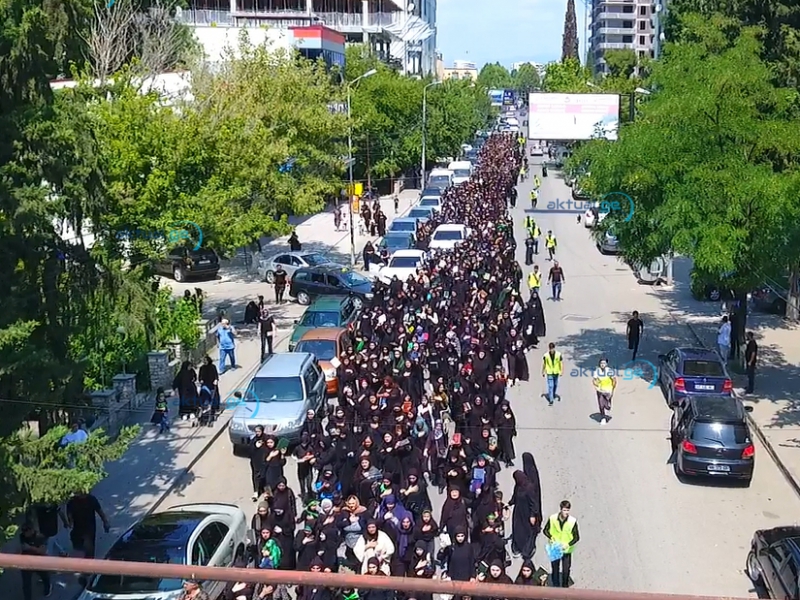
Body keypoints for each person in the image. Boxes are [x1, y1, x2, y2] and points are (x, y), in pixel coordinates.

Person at [543, 500, 579, 588]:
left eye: (568, 510)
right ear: (560, 509)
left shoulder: (572, 521)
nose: (566, 512)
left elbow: (576, 537)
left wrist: (568, 544)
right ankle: (556, 586)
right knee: (555, 568)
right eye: (564, 510)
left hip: (566, 550)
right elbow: (545, 530)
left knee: (566, 570)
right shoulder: (552, 518)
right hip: (555, 548)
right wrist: (551, 537)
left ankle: (565, 586)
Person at [66, 491, 110, 561]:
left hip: (88, 529)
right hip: (79, 529)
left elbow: (99, 511)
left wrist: (105, 522)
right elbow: (70, 517)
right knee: (79, 549)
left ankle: (88, 566)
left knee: (88, 550)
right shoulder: (72, 502)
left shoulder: (91, 499)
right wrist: (69, 523)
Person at [509, 471, 540, 560]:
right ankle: (518, 548)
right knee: (517, 529)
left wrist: (533, 515)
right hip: (518, 512)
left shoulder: (529, 487)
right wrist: (509, 503)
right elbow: (515, 497)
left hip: (527, 513)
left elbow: (534, 503)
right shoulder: (518, 486)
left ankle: (528, 550)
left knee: (527, 531)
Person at [19, 521, 51, 600]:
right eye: (23, 531)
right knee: (26, 583)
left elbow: (43, 551)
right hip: (26, 561)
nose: (24, 533)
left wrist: (30, 548)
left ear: (31, 530)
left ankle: (47, 587)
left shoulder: (40, 537)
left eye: (26, 531)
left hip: (38, 561)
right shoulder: (22, 536)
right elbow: (22, 547)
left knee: (44, 576)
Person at [592, 358, 616, 425]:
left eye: (604, 363)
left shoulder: (609, 371)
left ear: (606, 364)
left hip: (608, 390)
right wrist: (596, 384)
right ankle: (603, 418)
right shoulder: (597, 371)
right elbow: (594, 380)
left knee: (607, 407)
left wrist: (612, 389)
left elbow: (614, 380)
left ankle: (608, 404)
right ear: (599, 364)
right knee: (601, 404)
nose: (602, 365)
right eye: (601, 363)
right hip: (600, 390)